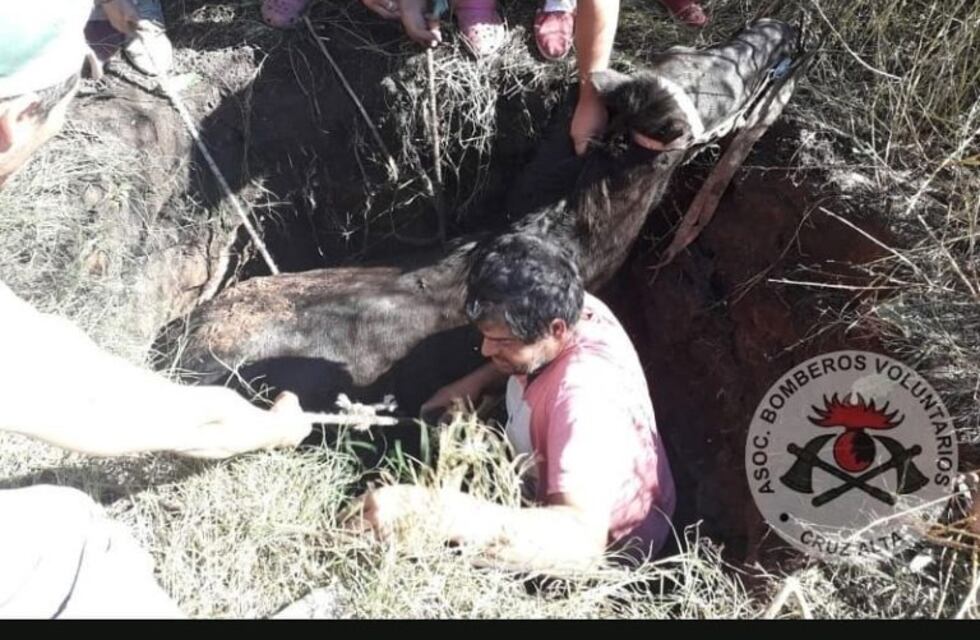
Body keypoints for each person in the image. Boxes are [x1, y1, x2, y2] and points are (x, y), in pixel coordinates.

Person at [351, 233, 676, 571]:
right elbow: (520, 348)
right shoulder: (578, 306)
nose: (487, 351)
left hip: (606, 553)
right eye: (487, 336)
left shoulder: (583, 404)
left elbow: (582, 545)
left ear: (556, 330)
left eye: (502, 341)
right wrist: (472, 383)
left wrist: (438, 514)